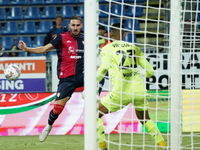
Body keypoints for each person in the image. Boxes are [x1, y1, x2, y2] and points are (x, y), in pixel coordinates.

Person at [97, 23, 167, 150]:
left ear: (111, 34)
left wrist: (91, 85)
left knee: (94, 113)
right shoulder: (134, 47)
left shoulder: (107, 49)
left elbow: (103, 70)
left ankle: (103, 148)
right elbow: (150, 72)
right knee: (146, 119)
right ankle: (163, 147)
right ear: (124, 34)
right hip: (139, 89)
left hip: (121, 91)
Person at [19, 15, 84, 142]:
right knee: (57, 109)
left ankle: (89, 91)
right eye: (73, 25)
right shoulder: (62, 37)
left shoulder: (86, 39)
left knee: (98, 74)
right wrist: (27, 49)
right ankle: (49, 125)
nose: (76, 28)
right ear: (69, 26)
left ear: (81, 26)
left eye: (78, 25)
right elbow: (44, 49)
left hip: (82, 75)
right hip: (66, 78)